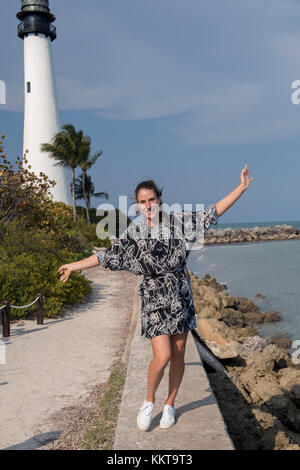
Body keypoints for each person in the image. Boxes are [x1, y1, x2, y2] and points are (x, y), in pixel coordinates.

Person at [58, 164, 254, 431]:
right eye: (142, 202)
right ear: (137, 205)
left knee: (178, 355)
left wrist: (241, 188)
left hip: (180, 295)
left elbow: (213, 211)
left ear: (159, 198)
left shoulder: (180, 222)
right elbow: (106, 256)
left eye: (152, 199)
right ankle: (149, 401)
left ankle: (170, 404)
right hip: (153, 298)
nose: (148, 205)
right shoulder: (134, 234)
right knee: (161, 356)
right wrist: (74, 265)